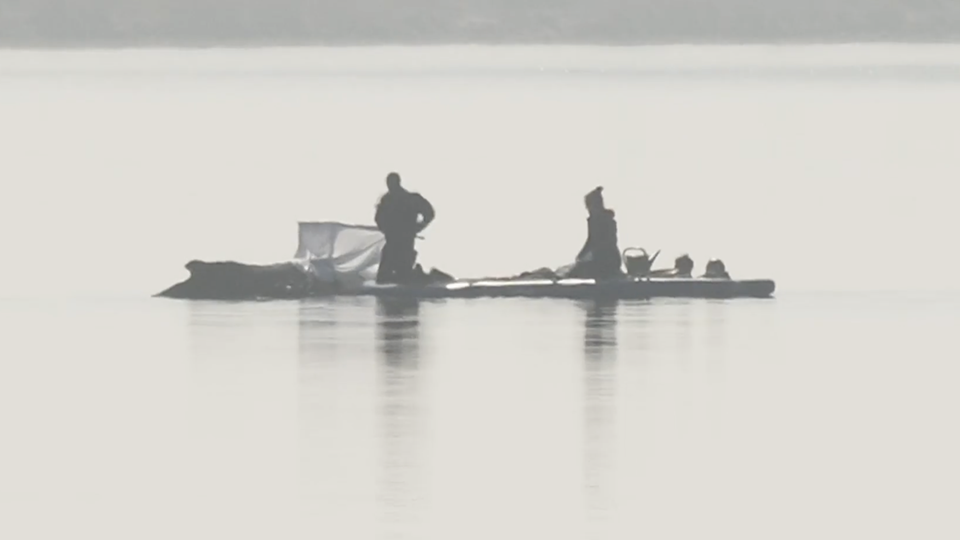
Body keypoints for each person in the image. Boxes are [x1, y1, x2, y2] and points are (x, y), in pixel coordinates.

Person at [374, 172, 435, 284]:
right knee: (382, 278)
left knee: (403, 275)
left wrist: (419, 227)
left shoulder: (411, 198)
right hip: (391, 242)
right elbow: (378, 219)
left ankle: (423, 276)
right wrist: (387, 230)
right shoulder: (386, 200)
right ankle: (415, 275)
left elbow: (429, 213)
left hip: (405, 243)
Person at [569, 187, 624, 280]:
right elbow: (591, 240)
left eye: (589, 206)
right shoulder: (596, 220)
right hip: (602, 260)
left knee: (576, 272)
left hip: (608, 261)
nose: (588, 209)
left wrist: (584, 256)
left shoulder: (604, 221)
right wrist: (581, 255)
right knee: (575, 269)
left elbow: (597, 242)